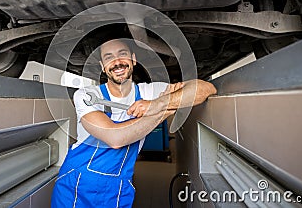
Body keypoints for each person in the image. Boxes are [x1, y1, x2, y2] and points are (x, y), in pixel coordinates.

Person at [51, 38, 217, 208]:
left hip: (119, 187)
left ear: (133, 59)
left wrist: (157, 104)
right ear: (102, 66)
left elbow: (206, 89)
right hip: (77, 184)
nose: (117, 62)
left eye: (122, 54)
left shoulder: (149, 91)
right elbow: (115, 138)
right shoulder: (86, 95)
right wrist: (167, 109)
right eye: (109, 57)